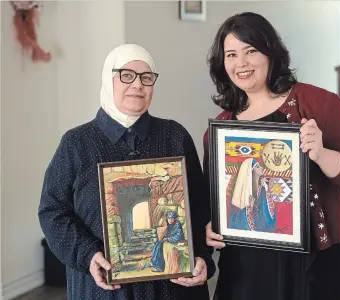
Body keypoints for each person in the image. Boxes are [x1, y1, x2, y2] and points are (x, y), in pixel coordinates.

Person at [203, 12, 340, 300]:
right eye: (231, 54)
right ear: (223, 64)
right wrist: (212, 226)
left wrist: (321, 153)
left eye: (251, 50)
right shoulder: (220, 130)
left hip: (316, 260)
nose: (240, 63)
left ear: (271, 52)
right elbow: (218, 199)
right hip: (248, 265)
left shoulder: (320, 104)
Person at [38, 44, 215, 300]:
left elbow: (199, 207)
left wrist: (201, 259)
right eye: (126, 75)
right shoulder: (76, 143)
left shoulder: (175, 136)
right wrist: (87, 254)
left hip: (173, 290)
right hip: (102, 289)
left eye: (146, 77)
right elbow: (52, 211)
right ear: (109, 80)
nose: (138, 85)